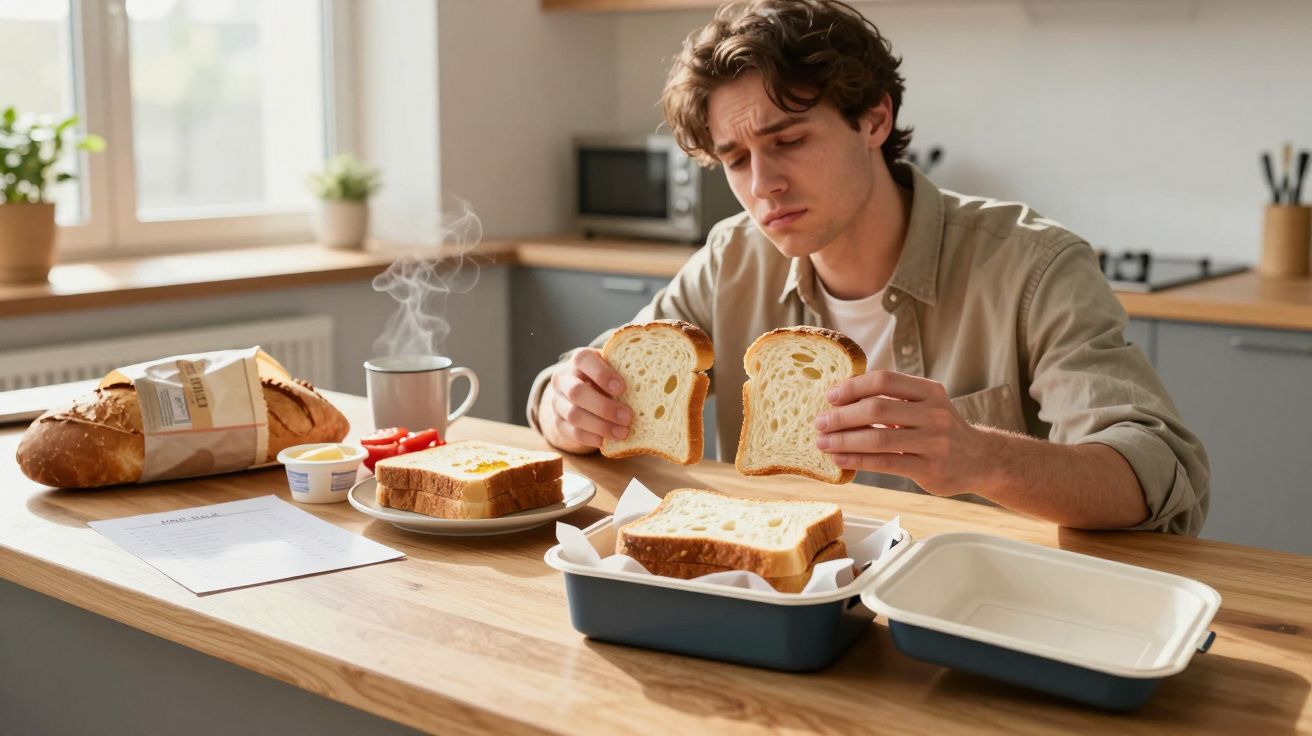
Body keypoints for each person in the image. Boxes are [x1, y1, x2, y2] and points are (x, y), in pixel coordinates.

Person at [526, 0, 1208, 534]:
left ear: (874, 119)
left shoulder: (1033, 266)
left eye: (788, 140)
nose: (763, 185)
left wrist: (980, 456)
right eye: (735, 160)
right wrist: (566, 402)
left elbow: (1160, 472)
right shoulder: (731, 258)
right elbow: (591, 380)